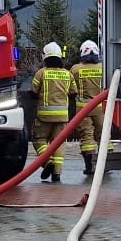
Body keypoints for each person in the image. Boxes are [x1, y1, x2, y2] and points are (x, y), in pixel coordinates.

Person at [30, 42, 73, 183]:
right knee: (58, 143)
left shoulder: (41, 73)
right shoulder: (68, 74)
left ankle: (47, 161)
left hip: (44, 116)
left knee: (39, 140)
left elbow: (33, 91)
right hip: (62, 116)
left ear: (45, 57)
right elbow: (73, 93)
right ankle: (57, 174)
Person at [72, 39, 107, 177]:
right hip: (101, 108)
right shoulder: (103, 67)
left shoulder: (75, 69)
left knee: (86, 137)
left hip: (83, 109)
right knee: (103, 135)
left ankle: (89, 166)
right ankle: (106, 165)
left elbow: (71, 89)